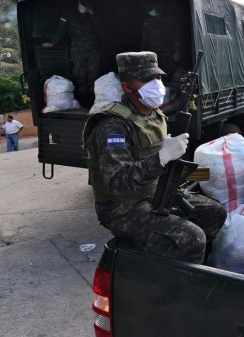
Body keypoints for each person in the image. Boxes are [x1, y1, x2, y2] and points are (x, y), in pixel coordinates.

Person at [82, 51, 226, 264]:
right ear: (126, 87)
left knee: (215, 212)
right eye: (147, 79)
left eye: (157, 77)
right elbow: (119, 183)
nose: (156, 84)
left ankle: (195, 264)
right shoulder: (112, 127)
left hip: (155, 191)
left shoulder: (155, 115)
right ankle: (181, 283)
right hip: (122, 207)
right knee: (192, 238)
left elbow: (166, 167)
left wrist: (203, 172)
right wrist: (162, 156)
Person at [42, 0, 102, 108]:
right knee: (80, 77)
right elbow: (61, 28)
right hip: (77, 51)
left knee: (94, 77)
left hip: (93, 50)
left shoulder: (94, 14)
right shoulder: (68, 13)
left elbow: (101, 29)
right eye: (82, 2)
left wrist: (92, 13)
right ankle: (84, 103)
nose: (84, 5)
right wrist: (53, 42)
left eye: (86, 3)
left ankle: (95, 103)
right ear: (78, 1)